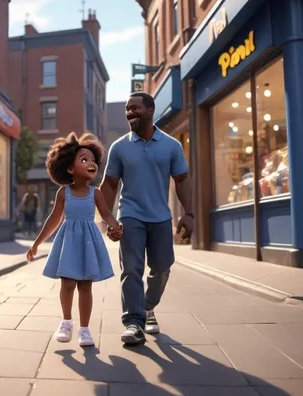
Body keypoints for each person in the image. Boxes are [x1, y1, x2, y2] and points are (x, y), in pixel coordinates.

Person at [100, 92, 193, 346]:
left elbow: (182, 180)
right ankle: (133, 322)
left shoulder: (172, 145)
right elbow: (108, 185)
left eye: (135, 108)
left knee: (162, 268)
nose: (130, 112)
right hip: (129, 215)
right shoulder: (119, 147)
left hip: (161, 217)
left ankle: (147, 306)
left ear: (150, 111)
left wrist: (189, 213)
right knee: (131, 269)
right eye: (127, 109)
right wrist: (109, 220)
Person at [26, 132, 123, 347]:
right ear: (70, 168)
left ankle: (85, 329)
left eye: (92, 160)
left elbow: (106, 214)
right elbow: (54, 219)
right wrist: (37, 243)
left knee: (86, 286)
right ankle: (66, 321)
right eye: (84, 159)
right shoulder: (64, 193)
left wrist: (116, 225)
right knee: (68, 283)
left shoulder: (95, 193)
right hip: (69, 242)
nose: (91, 163)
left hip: (88, 242)